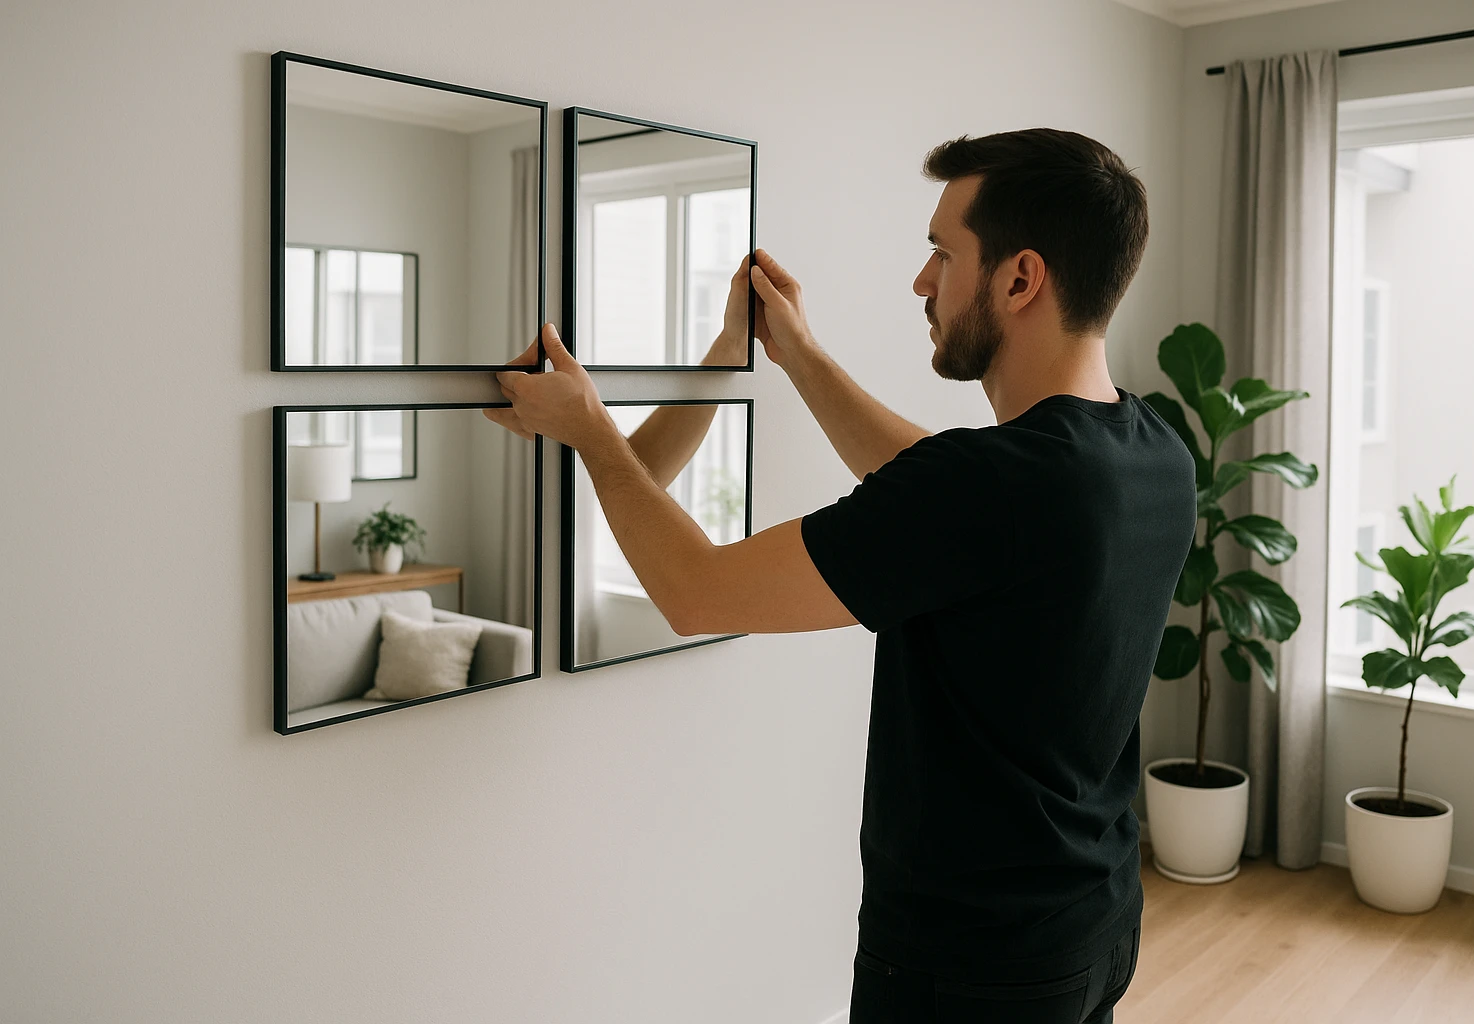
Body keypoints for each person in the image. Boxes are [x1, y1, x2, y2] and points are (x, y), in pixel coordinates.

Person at [486, 128, 1196, 1024]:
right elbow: (940, 493)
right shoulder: (1150, 452)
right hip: (1092, 927)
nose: (922, 280)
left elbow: (695, 591)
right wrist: (802, 356)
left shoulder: (988, 486)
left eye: (943, 252)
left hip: (968, 966)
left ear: (1020, 279)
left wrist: (592, 428)